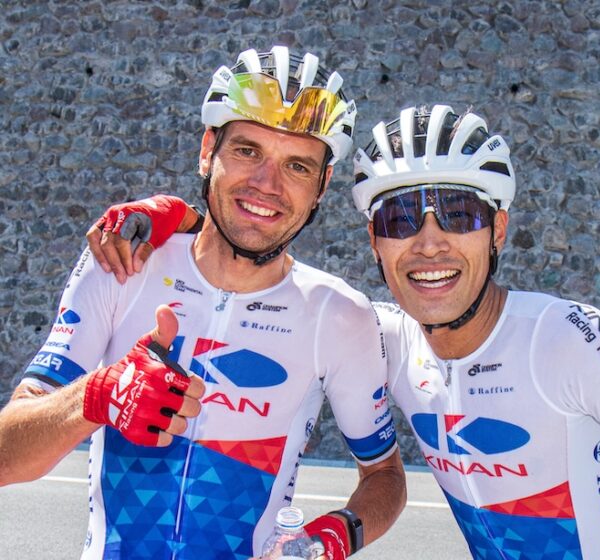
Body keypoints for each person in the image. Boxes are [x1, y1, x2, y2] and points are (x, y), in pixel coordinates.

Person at [84, 105, 600, 558]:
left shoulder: (569, 337)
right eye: (400, 220)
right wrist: (169, 214)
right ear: (376, 243)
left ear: (498, 230)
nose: (429, 244)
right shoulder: (383, 339)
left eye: (458, 214)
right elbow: (250, 256)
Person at [0, 45, 406, 560]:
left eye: (297, 166)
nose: (267, 185)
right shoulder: (125, 262)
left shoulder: (340, 315)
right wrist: (97, 395)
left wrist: (330, 538)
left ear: (322, 186)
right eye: (248, 152)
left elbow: (385, 474)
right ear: (207, 149)